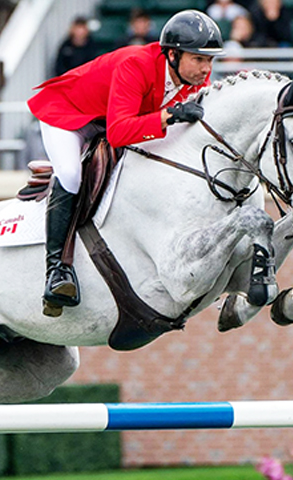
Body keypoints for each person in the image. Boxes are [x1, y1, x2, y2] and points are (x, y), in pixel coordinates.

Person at [28, 10, 223, 316]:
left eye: (210, 60)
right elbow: (120, 133)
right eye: (199, 59)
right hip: (69, 117)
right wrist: (169, 116)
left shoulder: (193, 78)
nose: (206, 69)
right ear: (172, 55)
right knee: (70, 174)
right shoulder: (137, 65)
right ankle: (56, 271)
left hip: (106, 121)